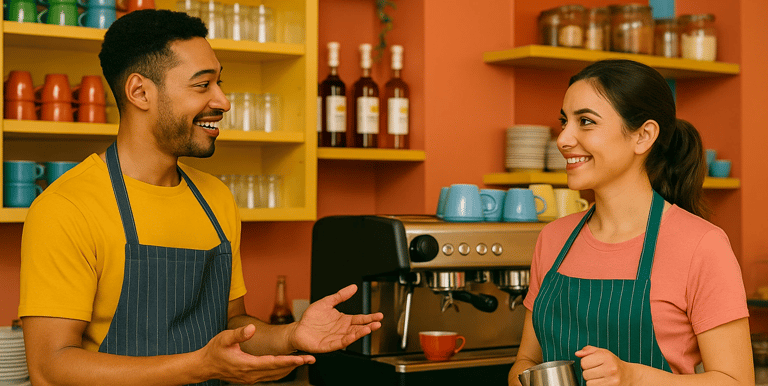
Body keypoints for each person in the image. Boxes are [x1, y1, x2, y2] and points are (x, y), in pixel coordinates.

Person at [18, 9, 383, 386]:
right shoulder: (67, 208)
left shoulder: (215, 198)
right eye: (202, 85)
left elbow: (233, 326)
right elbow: (51, 368)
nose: (223, 101)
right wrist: (201, 366)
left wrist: (289, 336)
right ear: (140, 92)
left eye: (219, 83)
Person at [508, 59, 754, 386]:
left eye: (585, 121)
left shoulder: (702, 245)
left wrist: (632, 376)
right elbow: (527, 361)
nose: (563, 139)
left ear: (643, 136)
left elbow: (736, 381)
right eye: (564, 121)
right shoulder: (553, 238)